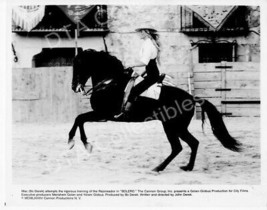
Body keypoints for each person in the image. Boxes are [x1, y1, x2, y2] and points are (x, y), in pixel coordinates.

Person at [115, 27, 161, 120]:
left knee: (135, 90)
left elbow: (144, 62)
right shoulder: (146, 43)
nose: (138, 34)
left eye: (140, 32)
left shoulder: (148, 45)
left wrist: (131, 65)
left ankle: (124, 113)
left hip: (152, 75)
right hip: (149, 72)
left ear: (145, 32)